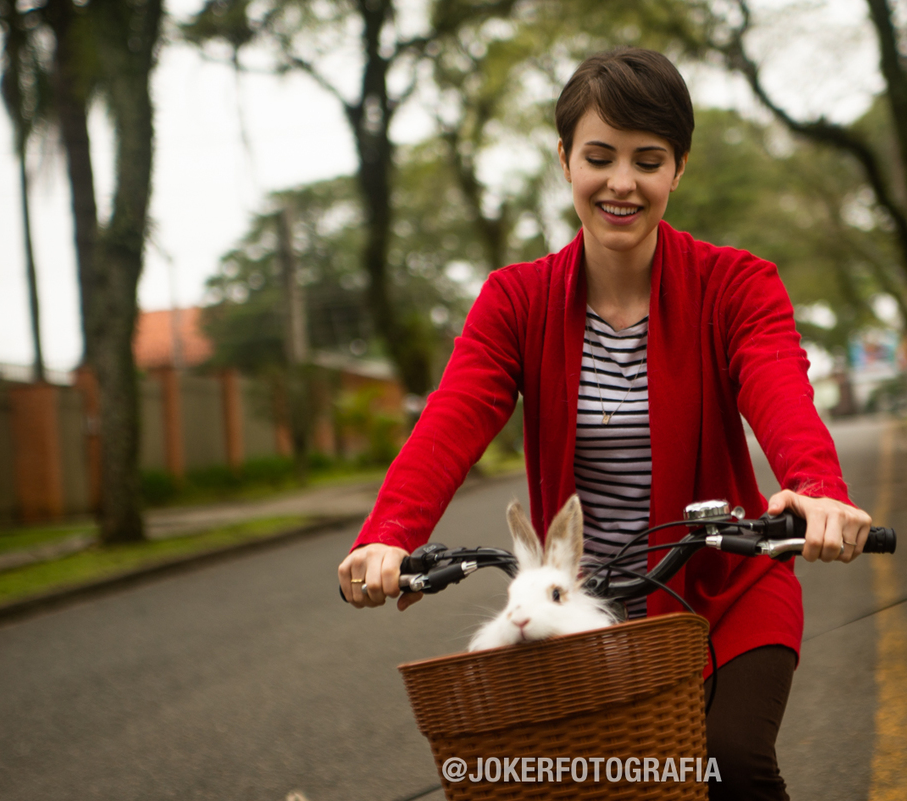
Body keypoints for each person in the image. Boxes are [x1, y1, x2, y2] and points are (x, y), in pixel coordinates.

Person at [338, 47, 872, 801]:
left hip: (726, 588)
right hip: (580, 612)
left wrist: (817, 488)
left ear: (678, 169)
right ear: (565, 160)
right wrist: (389, 533)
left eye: (647, 160)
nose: (622, 183)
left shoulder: (736, 284)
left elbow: (778, 385)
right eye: (600, 157)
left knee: (726, 761)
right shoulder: (514, 301)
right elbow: (453, 417)